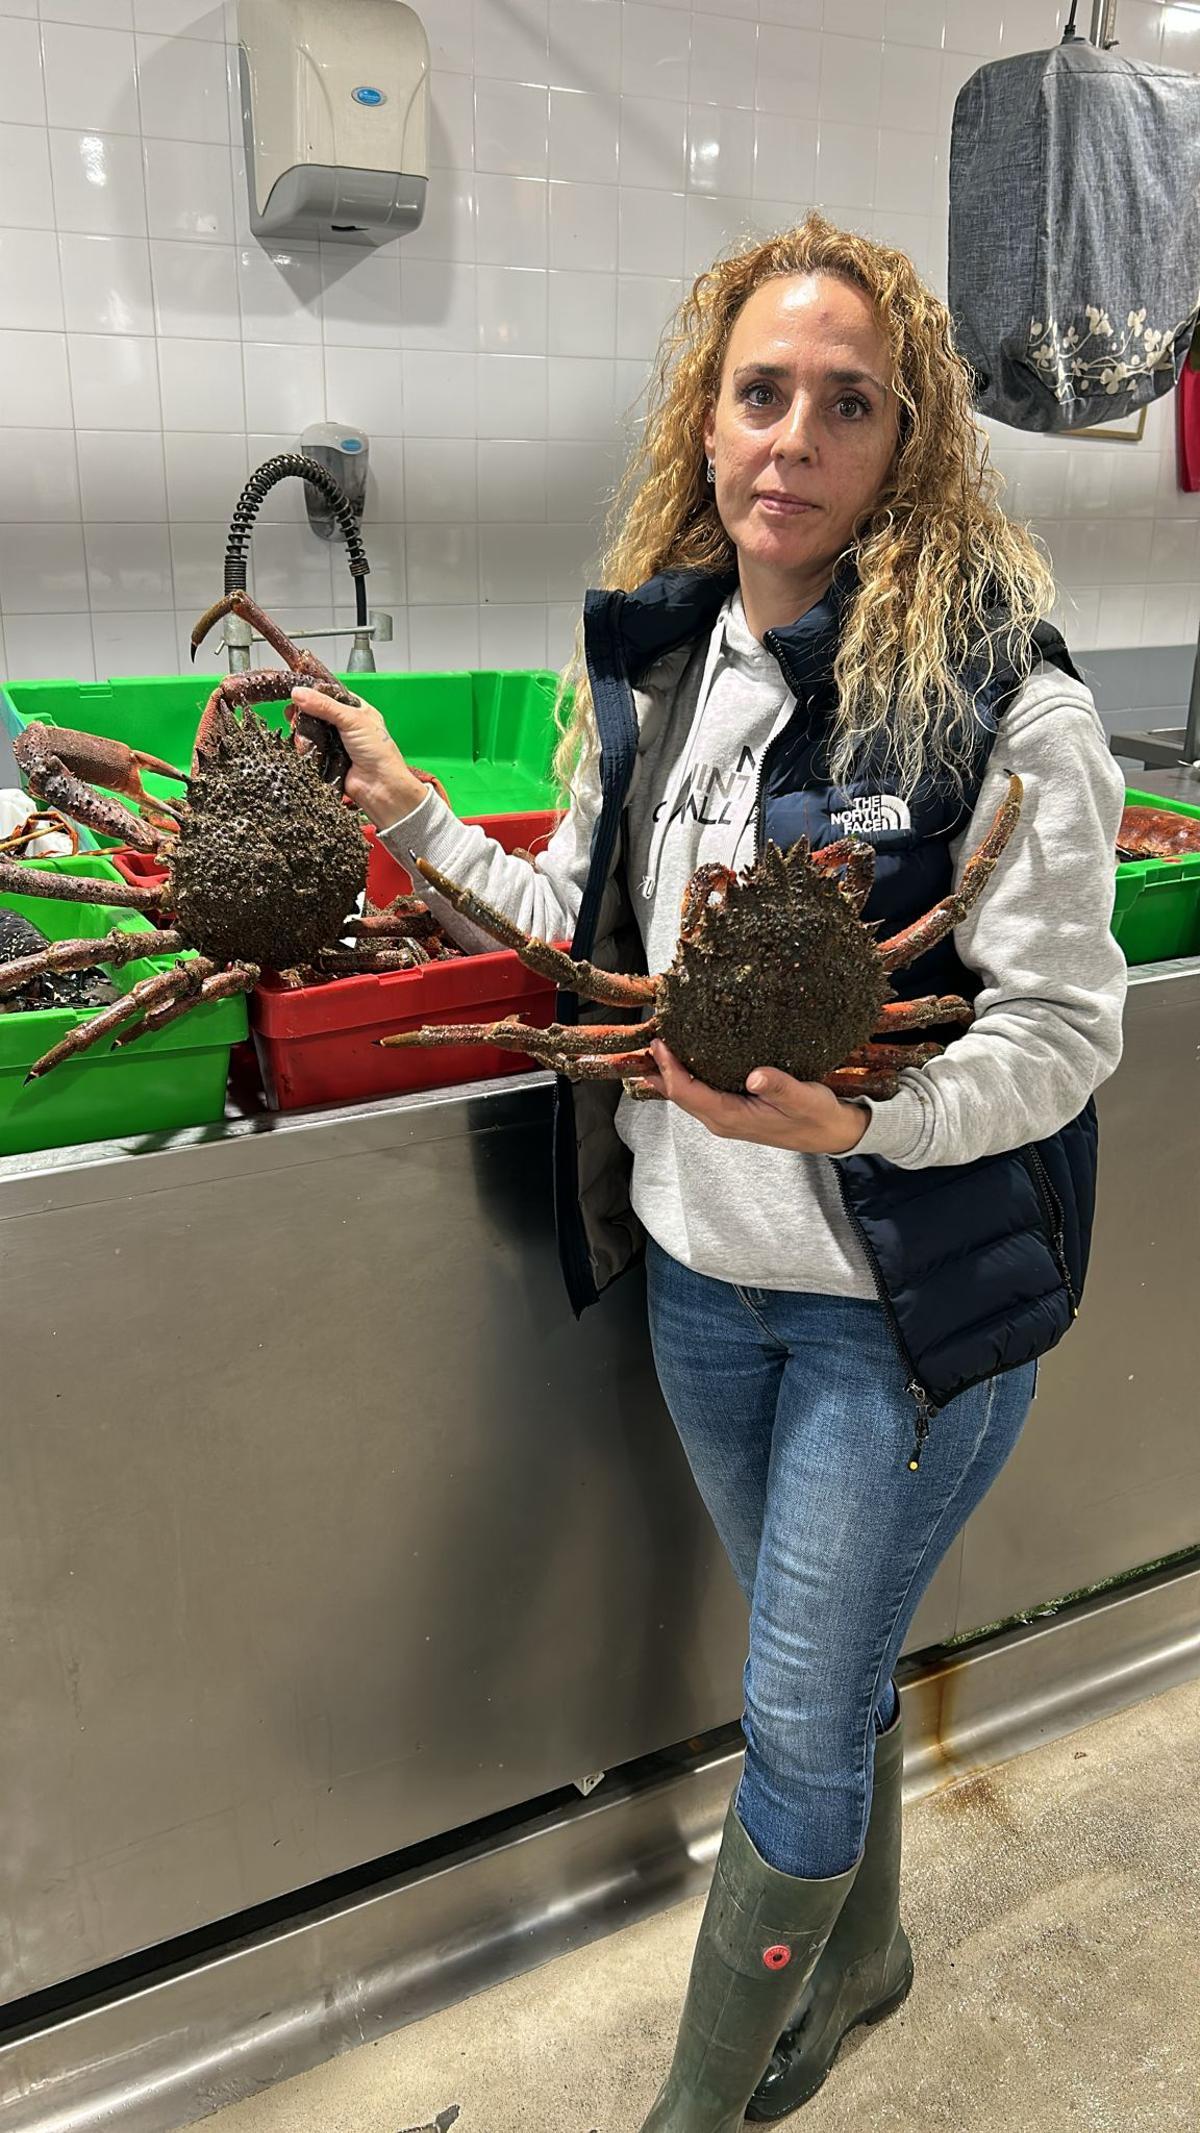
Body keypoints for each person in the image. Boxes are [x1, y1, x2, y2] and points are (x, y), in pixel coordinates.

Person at [295, 215, 1127, 2132]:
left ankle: (684, 2112)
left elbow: (1065, 1033)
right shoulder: (659, 668)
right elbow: (590, 941)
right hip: (700, 1289)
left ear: (908, 444)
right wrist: (414, 810)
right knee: (817, 1689)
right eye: (763, 393)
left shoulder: (1010, 700)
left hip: (898, 1329)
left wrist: (866, 1123)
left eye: (849, 405)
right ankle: (874, 1952)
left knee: (792, 1709)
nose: (794, 441)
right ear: (708, 412)